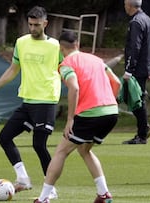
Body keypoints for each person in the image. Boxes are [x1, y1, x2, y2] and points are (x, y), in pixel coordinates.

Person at [0, 6, 61, 199]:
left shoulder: (56, 46)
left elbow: (67, 69)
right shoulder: (21, 43)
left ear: (45, 24)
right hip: (27, 102)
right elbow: (13, 69)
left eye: (37, 25)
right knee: (4, 137)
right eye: (30, 24)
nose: (32, 28)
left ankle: (51, 190)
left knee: (39, 145)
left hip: (47, 101)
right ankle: (23, 179)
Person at [34, 31, 121, 203]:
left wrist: (70, 119)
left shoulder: (67, 63)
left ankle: (44, 198)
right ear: (78, 44)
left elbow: (74, 88)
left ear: (61, 48)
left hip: (90, 114)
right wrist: (109, 101)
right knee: (84, 149)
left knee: (61, 151)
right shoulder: (96, 60)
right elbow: (116, 82)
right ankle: (103, 193)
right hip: (111, 112)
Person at [122, 0, 150, 144]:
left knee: (134, 99)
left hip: (137, 69)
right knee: (136, 98)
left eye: (125, 5)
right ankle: (144, 128)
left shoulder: (136, 22)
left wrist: (129, 69)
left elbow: (134, 47)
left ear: (129, 6)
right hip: (145, 67)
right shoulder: (147, 19)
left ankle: (143, 132)